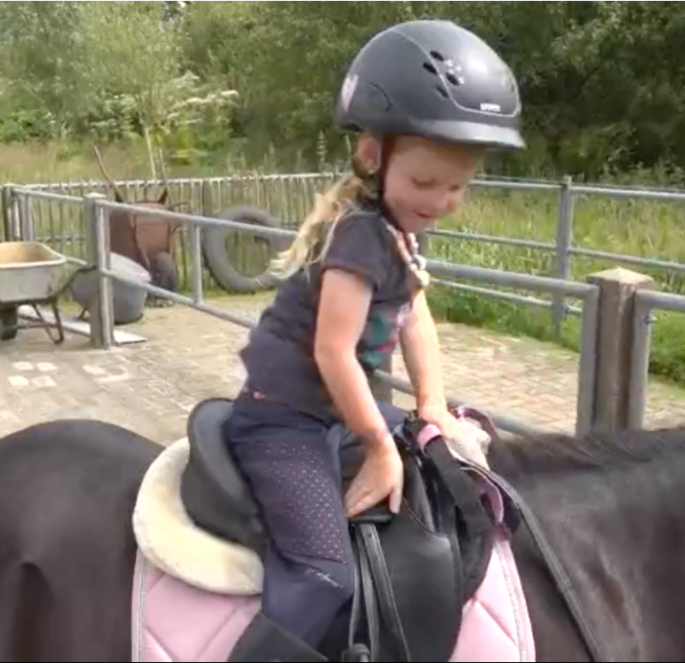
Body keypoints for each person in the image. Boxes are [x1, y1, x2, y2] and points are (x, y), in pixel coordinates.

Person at [221, 19, 526, 662]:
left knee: (450, 467)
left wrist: (434, 406)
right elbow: (334, 351)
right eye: (425, 183)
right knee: (322, 572)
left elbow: (416, 317)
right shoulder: (359, 235)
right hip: (288, 420)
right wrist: (380, 446)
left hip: (340, 411)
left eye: (456, 186)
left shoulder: (404, 228)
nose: (441, 200)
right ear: (371, 156)